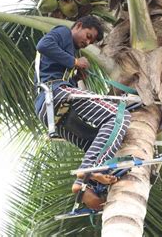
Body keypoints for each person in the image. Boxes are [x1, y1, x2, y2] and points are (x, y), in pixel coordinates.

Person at [34, 15, 131, 210]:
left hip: (49, 112)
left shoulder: (69, 52)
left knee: (95, 141)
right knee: (118, 116)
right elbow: (44, 45)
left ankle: (85, 186)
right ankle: (90, 169)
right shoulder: (63, 32)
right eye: (87, 36)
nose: (87, 42)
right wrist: (74, 61)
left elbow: (53, 67)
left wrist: (76, 74)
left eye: (91, 41)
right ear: (78, 26)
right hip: (56, 95)